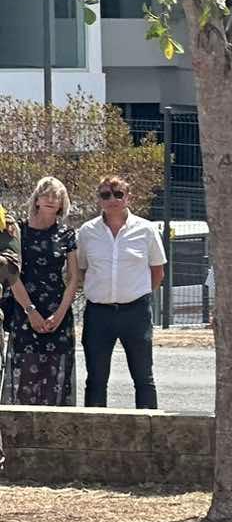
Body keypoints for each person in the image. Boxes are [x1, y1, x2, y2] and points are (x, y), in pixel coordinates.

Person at [75, 175, 165, 409]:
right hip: (98, 313)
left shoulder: (146, 230)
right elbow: (81, 270)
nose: (112, 199)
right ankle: (93, 438)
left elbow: (157, 271)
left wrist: (138, 294)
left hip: (135, 312)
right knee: (95, 379)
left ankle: (150, 436)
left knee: (143, 378)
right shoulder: (86, 232)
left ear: (128, 198)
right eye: (106, 195)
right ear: (99, 199)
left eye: (118, 194)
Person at [2, 178, 81, 406]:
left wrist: (60, 314)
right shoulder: (18, 231)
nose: (51, 199)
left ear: (62, 204)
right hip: (25, 311)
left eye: (56, 196)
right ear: (36, 199)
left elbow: (73, 277)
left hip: (58, 314)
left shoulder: (67, 234)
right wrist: (31, 311)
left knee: (56, 376)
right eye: (46, 194)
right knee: (26, 377)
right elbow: (12, 274)